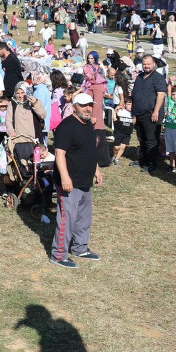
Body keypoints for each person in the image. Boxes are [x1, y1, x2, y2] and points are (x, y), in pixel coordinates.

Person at [49, 93, 105, 268]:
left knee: (84, 218)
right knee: (67, 219)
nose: (88, 108)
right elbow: (60, 154)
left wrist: (97, 169)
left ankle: (80, 247)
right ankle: (58, 255)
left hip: (85, 180)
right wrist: (65, 178)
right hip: (70, 182)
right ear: (74, 106)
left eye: (90, 105)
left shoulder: (88, 124)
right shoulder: (66, 127)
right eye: (83, 105)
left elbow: (89, 150)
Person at [131, 55, 167, 173]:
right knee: (142, 139)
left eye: (148, 64)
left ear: (154, 64)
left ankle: (151, 164)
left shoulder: (158, 78)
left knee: (151, 140)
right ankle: (143, 160)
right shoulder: (140, 77)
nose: (146, 66)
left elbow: (161, 95)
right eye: (144, 64)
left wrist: (156, 111)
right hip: (139, 113)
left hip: (151, 113)